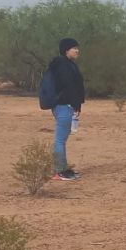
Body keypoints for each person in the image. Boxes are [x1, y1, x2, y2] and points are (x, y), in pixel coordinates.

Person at [49, 38, 85, 181]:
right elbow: (70, 88)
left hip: (67, 106)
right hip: (64, 106)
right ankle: (59, 171)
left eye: (77, 48)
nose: (77, 50)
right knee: (59, 140)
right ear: (66, 50)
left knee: (61, 140)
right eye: (73, 48)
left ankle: (63, 169)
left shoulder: (68, 65)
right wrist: (76, 105)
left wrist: (77, 105)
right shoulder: (63, 66)